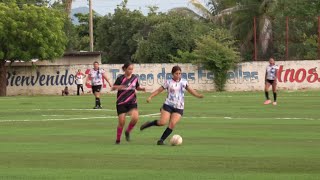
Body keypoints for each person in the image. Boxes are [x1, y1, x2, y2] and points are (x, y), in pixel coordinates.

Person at [140, 65, 204, 145]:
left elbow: (190, 90)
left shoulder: (184, 82)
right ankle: (149, 124)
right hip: (168, 105)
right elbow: (159, 90)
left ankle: (161, 140)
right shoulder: (168, 82)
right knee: (162, 122)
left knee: (172, 124)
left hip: (179, 107)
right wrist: (150, 97)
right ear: (172, 74)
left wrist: (198, 95)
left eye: (179, 73)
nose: (178, 75)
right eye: (176, 73)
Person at [112, 62, 146, 144]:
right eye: (129, 69)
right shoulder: (120, 78)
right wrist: (120, 87)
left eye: (132, 69)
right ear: (125, 69)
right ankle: (118, 139)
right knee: (122, 122)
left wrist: (141, 89)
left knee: (135, 118)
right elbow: (113, 87)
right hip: (121, 102)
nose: (131, 71)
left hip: (132, 102)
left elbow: (137, 87)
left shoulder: (135, 78)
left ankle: (127, 131)